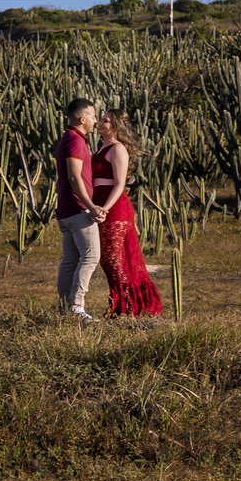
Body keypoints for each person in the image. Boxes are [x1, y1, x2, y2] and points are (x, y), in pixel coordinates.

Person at [91, 108, 163, 318]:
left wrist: (105, 208)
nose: (101, 123)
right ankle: (121, 307)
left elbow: (120, 184)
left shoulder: (117, 148)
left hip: (115, 210)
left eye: (105, 120)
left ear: (115, 125)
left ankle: (129, 308)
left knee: (114, 260)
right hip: (101, 208)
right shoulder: (102, 148)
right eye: (101, 119)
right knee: (108, 261)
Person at [55, 98, 107, 324]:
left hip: (66, 209)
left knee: (70, 259)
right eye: (93, 116)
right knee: (91, 256)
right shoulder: (75, 141)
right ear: (82, 118)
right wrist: (90, 206)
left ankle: (64, 308)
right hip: (78, 209)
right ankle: (76, 306)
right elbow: (74, 176)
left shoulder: (67, 138)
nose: (95, 121)